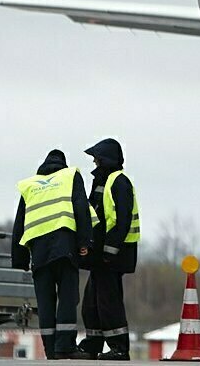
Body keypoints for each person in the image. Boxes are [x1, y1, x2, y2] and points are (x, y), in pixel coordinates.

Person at [12, 149, 94, 360]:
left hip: (38, 254)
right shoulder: (69, 176)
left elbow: (19, 222)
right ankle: (64, 347)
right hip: (64, 249)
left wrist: (19, 258)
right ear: (62, 165)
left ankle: (50, 349)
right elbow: (81, 208)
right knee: (67, 298)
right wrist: (85, 242)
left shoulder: (31, 185)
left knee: (46, 302)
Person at [77, 138, 139, 360]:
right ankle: (93, 343)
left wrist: (108, 251)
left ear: (105, 159)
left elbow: (121, 221)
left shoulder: (119, 182)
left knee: (109, 302)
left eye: (97, 158)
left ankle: (119, 348)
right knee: (92, 303)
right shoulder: (103, 181)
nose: (94, 162)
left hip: (114, 255)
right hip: (101, 255)